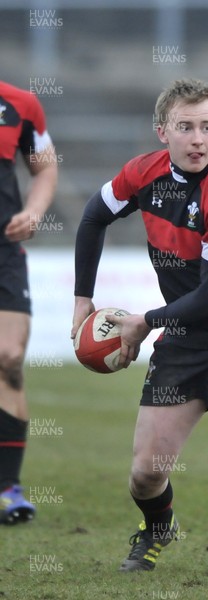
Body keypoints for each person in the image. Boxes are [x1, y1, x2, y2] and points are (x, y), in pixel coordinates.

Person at [72, 78, 208, 583]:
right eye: (185, 127)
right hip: (189, 335)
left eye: (206, 127)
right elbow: (92, 217)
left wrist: (143, 323)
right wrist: (82, 299)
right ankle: (159, 527)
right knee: (147, 475)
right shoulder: (142, 174)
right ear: (162, 132)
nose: (197, 138)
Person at [0, 81, 58, 524]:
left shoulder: (20, 103)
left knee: (10, 357)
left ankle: (7, 488)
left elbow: (45, 168)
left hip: (4, 253)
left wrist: (34, 213)